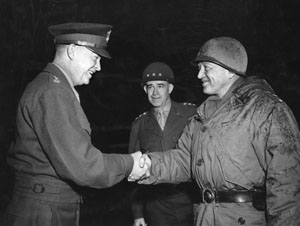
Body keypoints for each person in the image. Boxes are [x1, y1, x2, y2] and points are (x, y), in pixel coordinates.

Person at [136, 37, 300, 226]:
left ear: (230, 71)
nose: (199, 75)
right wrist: (146, 165)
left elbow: (286, 184)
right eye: (199, 69)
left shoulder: (266, 109)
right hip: (206, 218)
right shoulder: (203, 115)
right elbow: (184, 159)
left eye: (206, 68)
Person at [0, 22, 147, 226]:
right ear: (71, 51)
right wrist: (130, 163)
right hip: (44, 213)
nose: (99, 66)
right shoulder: (53, 92)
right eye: (95, 57)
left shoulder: (55, 88)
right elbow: (84, 166)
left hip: (48, 205)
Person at [128, 62, 197, 226]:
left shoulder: (191, 114)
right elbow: (134, 170)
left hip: (192, 200)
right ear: (145, 90)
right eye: (150, 87)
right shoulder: (139, 124)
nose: (155, 92)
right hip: (158, 206)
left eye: (160, 86)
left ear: (170, 88)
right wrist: (138, 214)